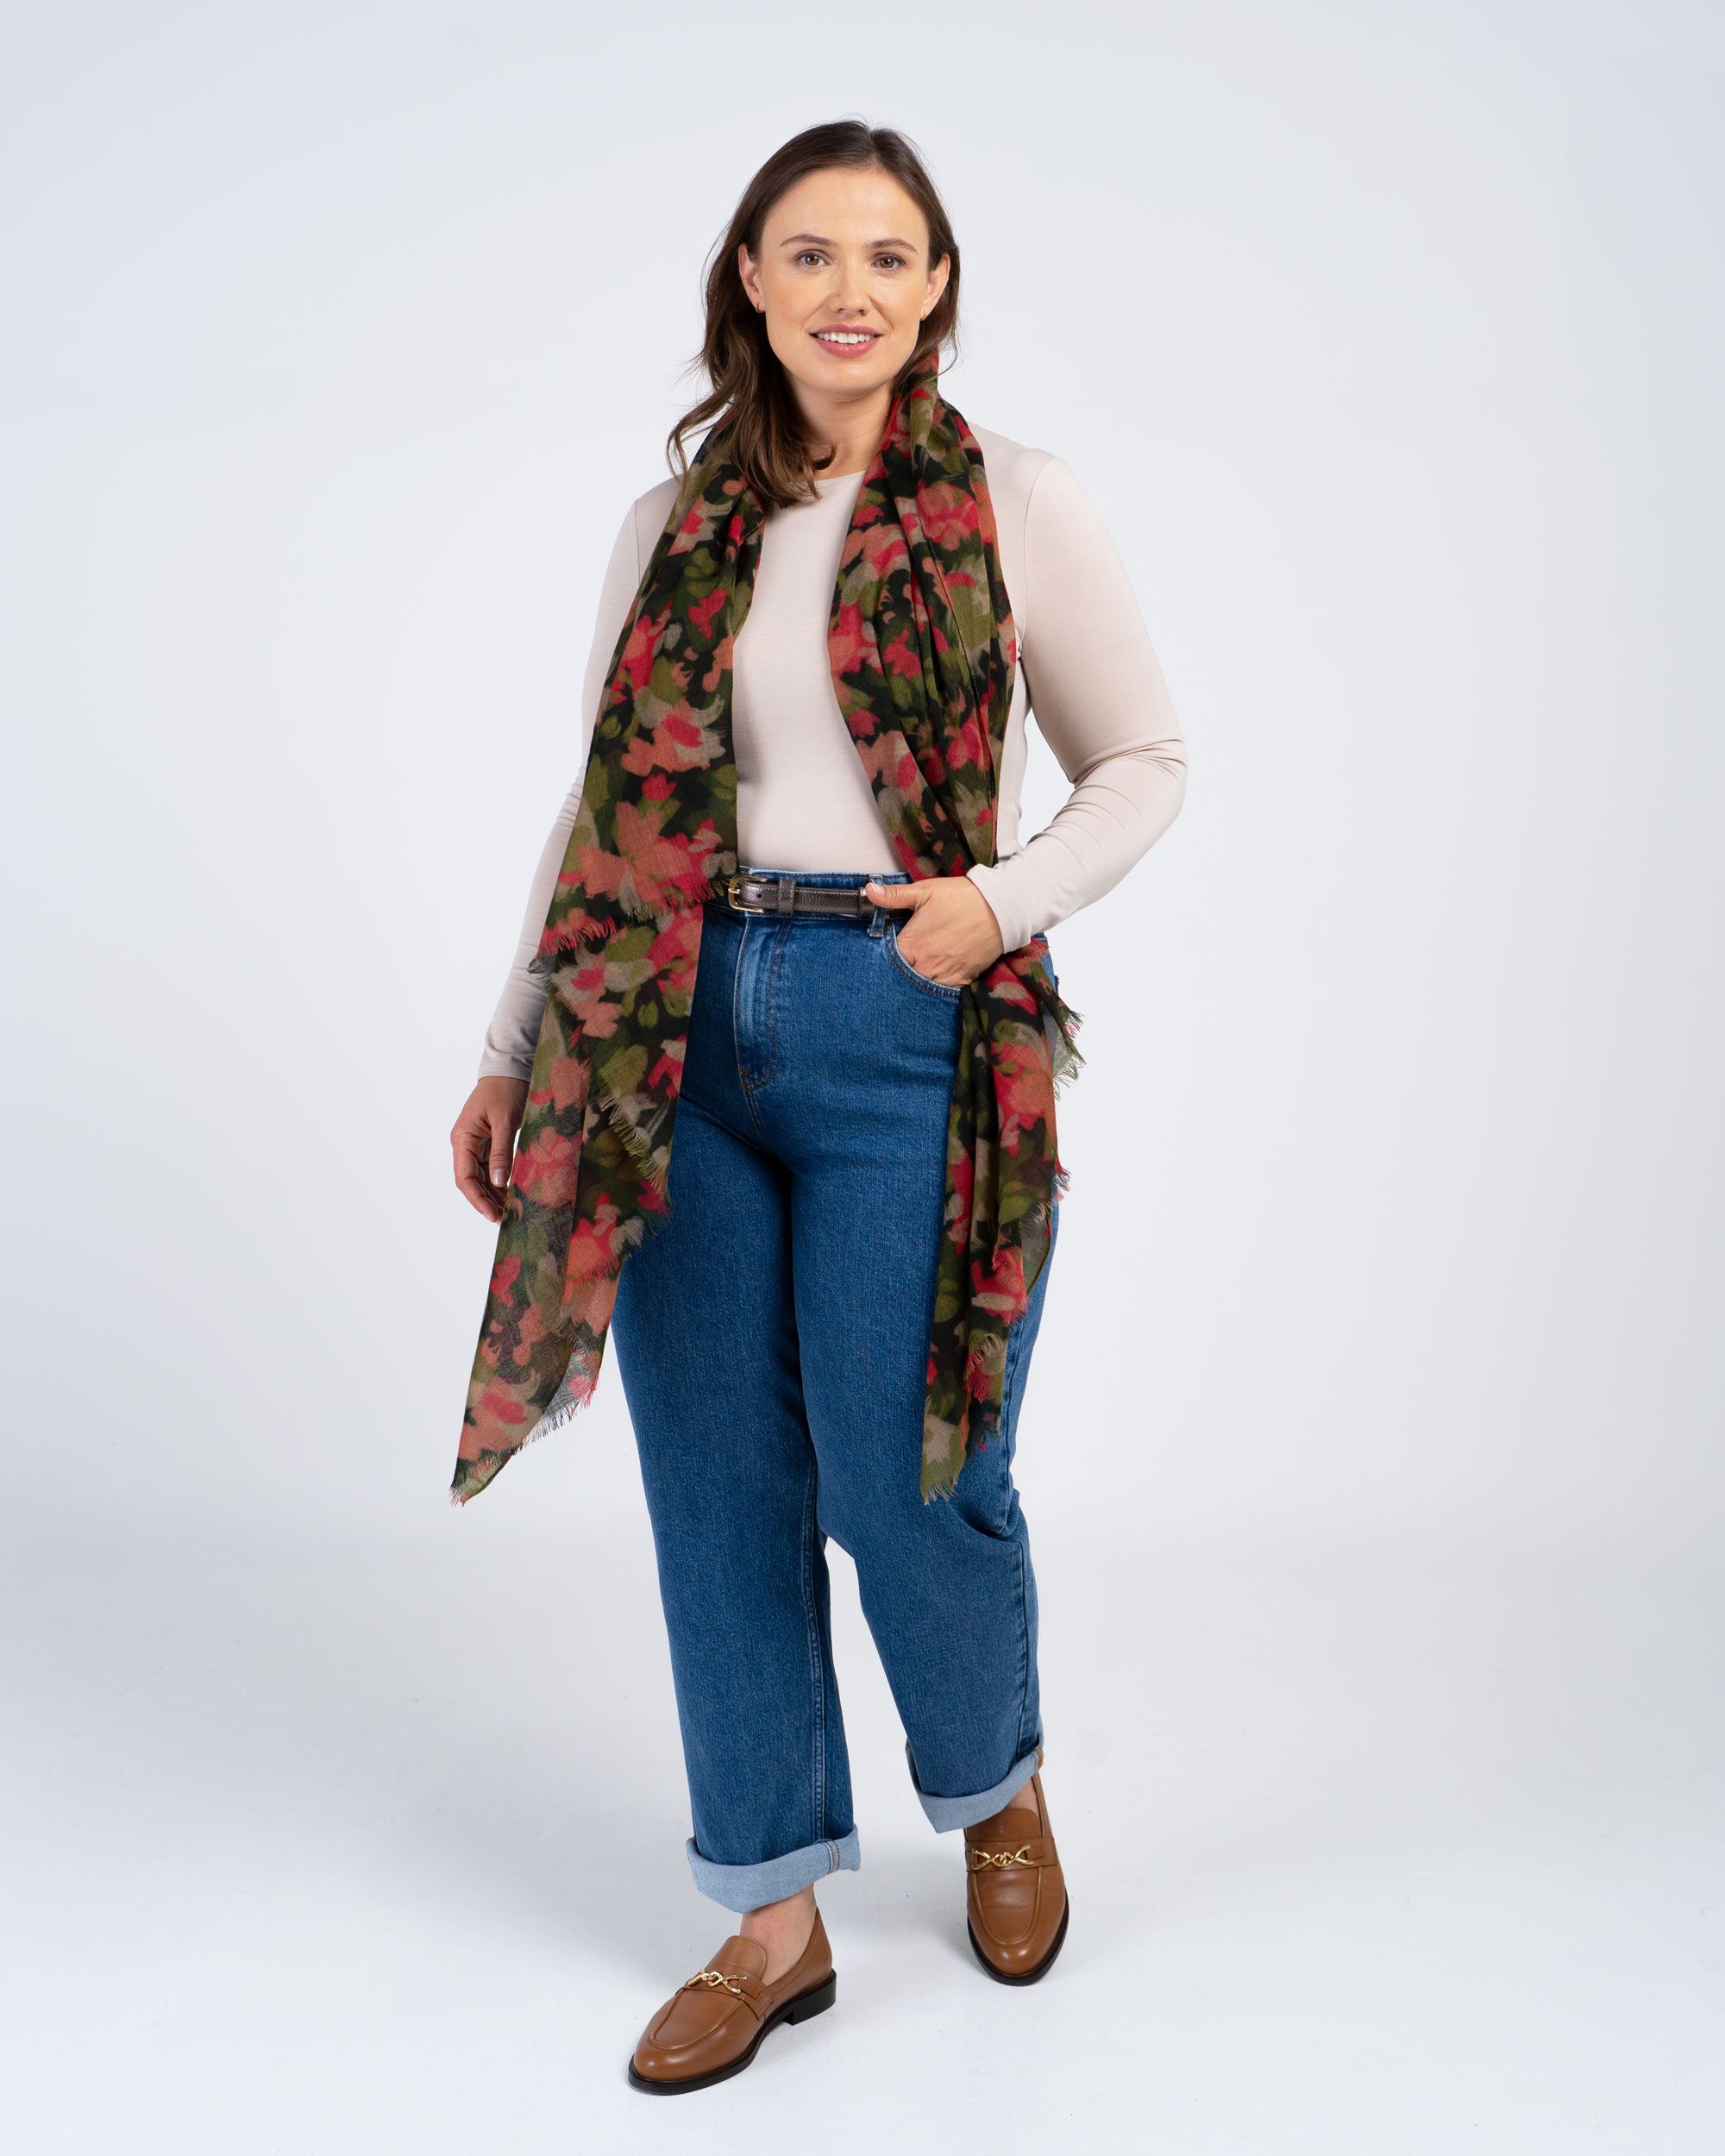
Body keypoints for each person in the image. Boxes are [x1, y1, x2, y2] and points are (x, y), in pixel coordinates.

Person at [448, 118, 1187, 2095]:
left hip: (902, 1014)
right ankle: (769, 1914)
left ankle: (994, 1780)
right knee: (716, 1486)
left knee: (907, 1468)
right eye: (808, 252)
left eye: (886, 255)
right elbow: (602, 807)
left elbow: (1143, 760)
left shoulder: (1014, 498)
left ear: (934, 287)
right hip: (664, 1030)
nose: (848, 289)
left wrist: (992, 903)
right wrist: (513, 1043)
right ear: (751, 284)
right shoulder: (672, 518)